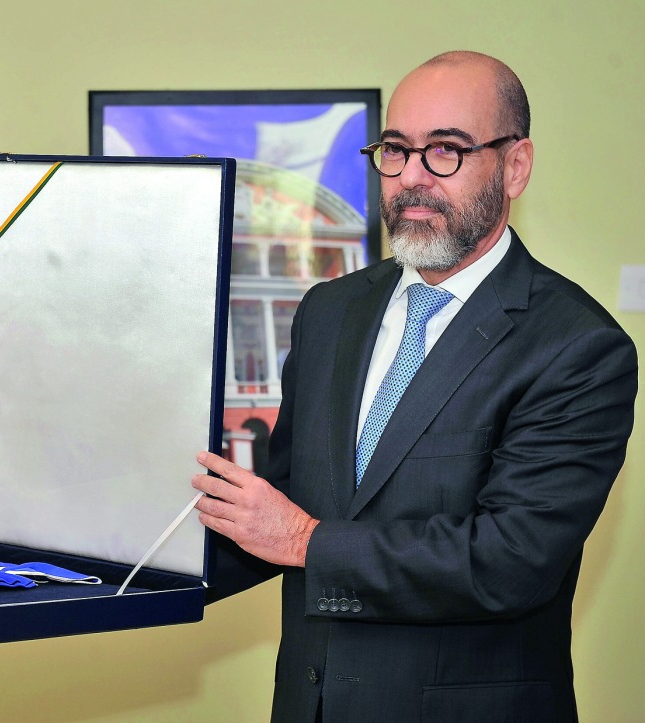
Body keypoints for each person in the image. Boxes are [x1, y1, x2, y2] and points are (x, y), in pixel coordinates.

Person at [193, 51, 636, 722]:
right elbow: (279, 505)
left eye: (446, 152)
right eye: (395, 151)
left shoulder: (577, 346)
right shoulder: (330, 311)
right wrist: (117, 556)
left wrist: (307, 540)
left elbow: (510, 560)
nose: (412, 179)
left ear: (515, 165)